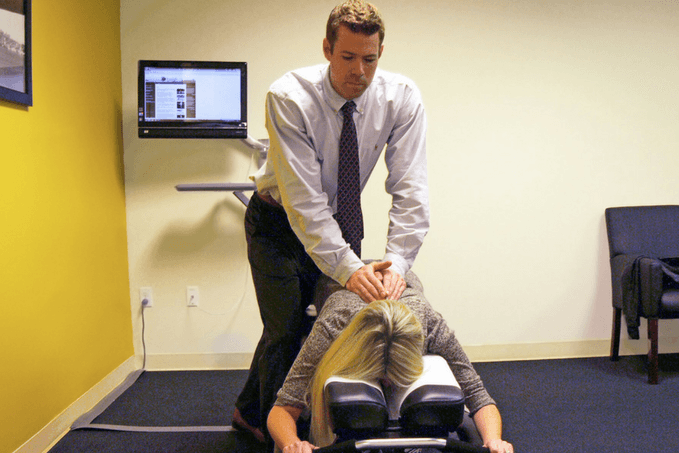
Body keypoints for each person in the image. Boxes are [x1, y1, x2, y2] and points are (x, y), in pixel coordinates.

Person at [233, 0, 429, 443]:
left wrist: (398, 264)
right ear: (326, 48)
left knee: (329, 319)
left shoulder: (401, 98)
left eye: (370, 59)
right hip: (278, 222)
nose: (359, 70)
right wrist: (350, 268)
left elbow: (411, 189)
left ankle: (250, 410)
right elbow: (304, 204)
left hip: (338, 222)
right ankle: (275, 432)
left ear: (381, 54)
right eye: (347, 57)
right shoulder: (289, 97)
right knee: (284, 328)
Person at [267, 272, 515, 453]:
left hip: (404, 279)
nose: (386, 382)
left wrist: (493, 440)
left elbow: (477, 395)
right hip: (336, 282)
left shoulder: (428, 324)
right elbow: (282, 409)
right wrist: (292, 443)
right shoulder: (333, 326)